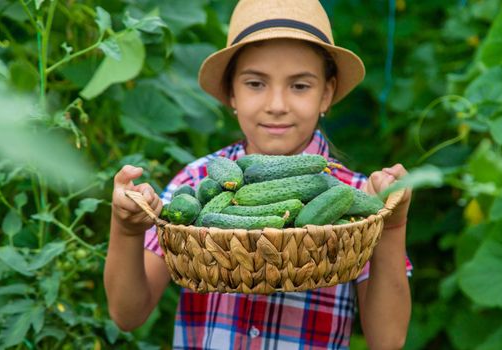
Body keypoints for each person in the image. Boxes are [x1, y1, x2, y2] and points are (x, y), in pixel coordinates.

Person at [104, 0, 412, 349]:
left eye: (300, 86)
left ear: (326, 94)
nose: (276, 104)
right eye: (255, 83)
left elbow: (388, 341)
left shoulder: (357, 197)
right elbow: (127, 314)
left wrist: (392, 224)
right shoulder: (197, 183)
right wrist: (127, 228)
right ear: (231, 92)